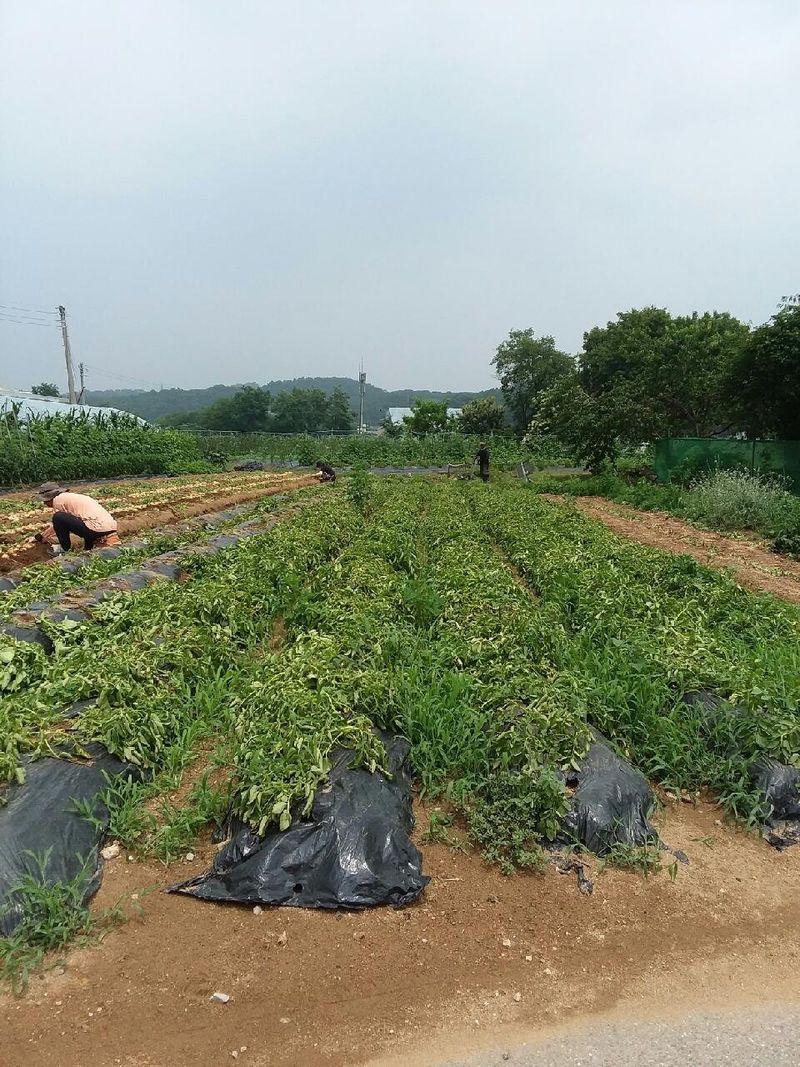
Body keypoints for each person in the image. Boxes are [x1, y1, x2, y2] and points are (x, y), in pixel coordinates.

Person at [34, 482, 120, 554]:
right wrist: (43, 535)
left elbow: (59, 524)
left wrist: (44, 537)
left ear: (49, 497)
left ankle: (64, 549)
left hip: (96, 528)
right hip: (108, 527)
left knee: (58, 517)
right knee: (84, 522)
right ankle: (88, 549)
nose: (44, 503)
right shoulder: (71, 497)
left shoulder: (58, 500)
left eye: (44, 501)